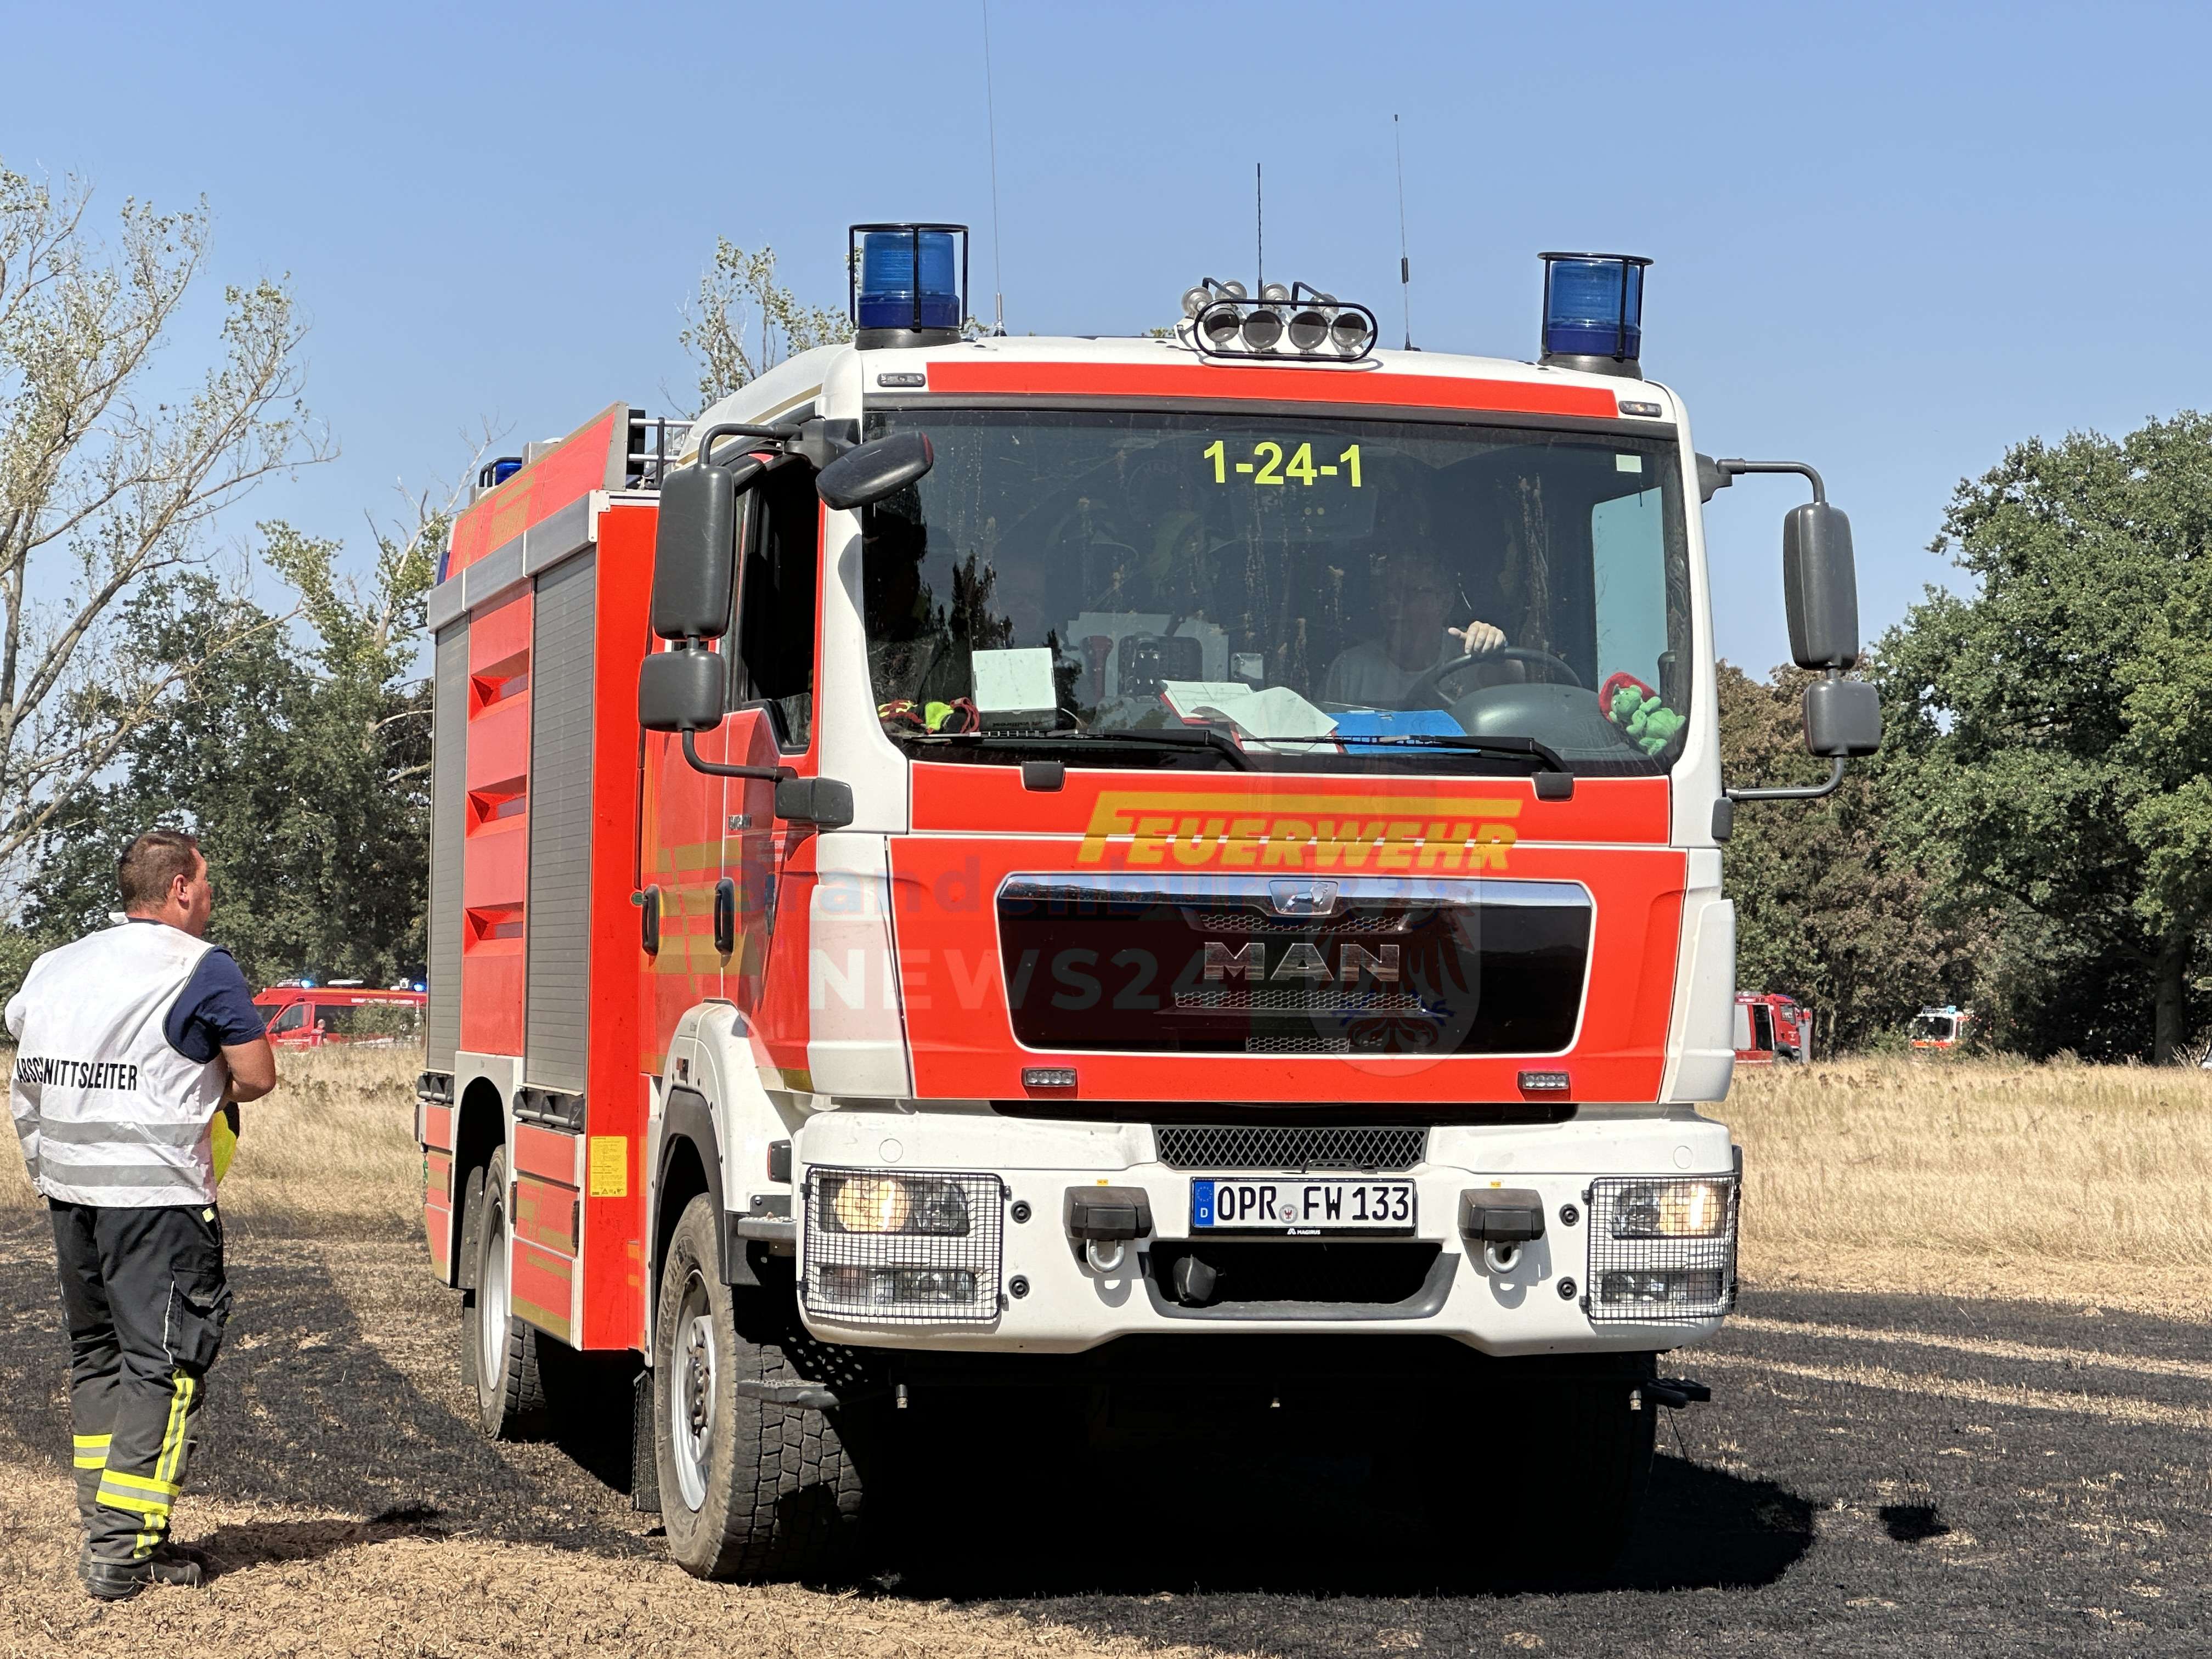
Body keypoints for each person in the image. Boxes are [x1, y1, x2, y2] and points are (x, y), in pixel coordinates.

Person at [5, 829, 276, 1601]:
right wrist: (202, 1091)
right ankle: (123, 1551)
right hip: (157, 1199)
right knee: (166, 1364)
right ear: (181, 888)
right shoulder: (200, 966)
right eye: (207, 883)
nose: (211, 897)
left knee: (98, 1356)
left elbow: (32, 1052)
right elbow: (257, 1075)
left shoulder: (57, 964)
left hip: (70, 1193)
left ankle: (105, 1524)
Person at [1321, 543, 1513, 707]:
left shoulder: (1472, 654)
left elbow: (1515, 693)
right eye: (1385, 593)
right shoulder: (1349, 669)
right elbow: (1324, 734)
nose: (1391, 603)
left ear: (1444, 603)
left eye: (1409, 593)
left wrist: (1497, 653)